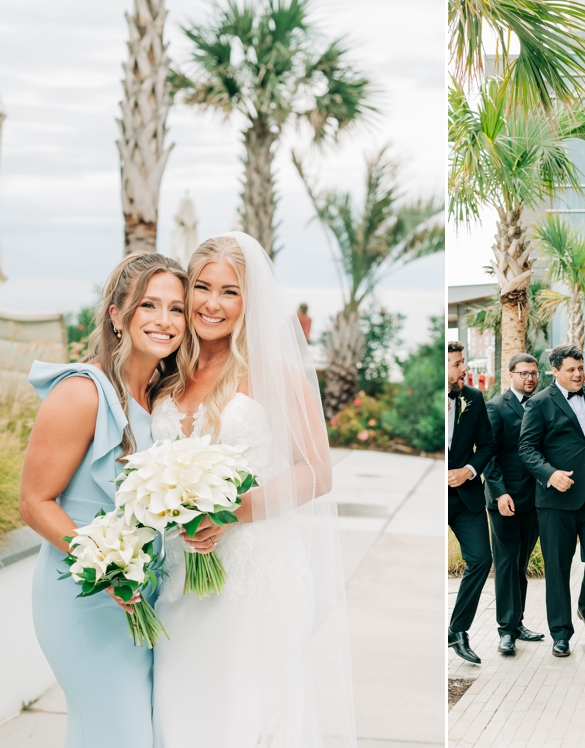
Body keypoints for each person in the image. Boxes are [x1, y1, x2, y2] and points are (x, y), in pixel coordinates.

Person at [150, 233, 354, 747]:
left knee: (245, 712)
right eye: (202, 287)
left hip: (254, 573)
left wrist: (235, 510)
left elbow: (317, 470)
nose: (212, 304)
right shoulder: (165, 374)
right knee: (181, 708)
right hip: (179, 570)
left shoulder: (272, 371)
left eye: (230, 292)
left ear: (250, 303)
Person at [20, 253, 188, 748]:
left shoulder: (161, 398)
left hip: (144, 598)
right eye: (149, 305)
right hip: (87, 597)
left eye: (176, 309)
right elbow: (33, 503)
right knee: (116, 734)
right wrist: (108, 567)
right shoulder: (81, 392)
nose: (164, 320)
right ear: (117, 315)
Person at [519, 344, 585, 658]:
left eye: (580, 368)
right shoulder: (540, 403)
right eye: (570, 369)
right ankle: (560, 633)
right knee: (558, 569)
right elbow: (527, 448)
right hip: (555, 501)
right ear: (555, 371)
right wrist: (550, 474)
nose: (577, 374)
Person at [484, 353, 546, 657]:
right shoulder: (496, 408)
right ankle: (505, 631)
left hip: (535, 500)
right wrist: (499, 493)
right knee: (507, 565)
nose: (530, 378)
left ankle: (517, 622)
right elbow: (489, 455)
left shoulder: (542, 405)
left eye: (534, 373)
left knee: (520, 564)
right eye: (524, 373)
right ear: (511, 375)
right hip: (505, 500)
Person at [447, 340, 496, 665]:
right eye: (457, 364)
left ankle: (457, 630)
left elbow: (488, 445)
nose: (464, 368)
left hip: (465, 497)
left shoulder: (473, 399)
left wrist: (468, 470)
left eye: (462, 362)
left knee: (480, 559)